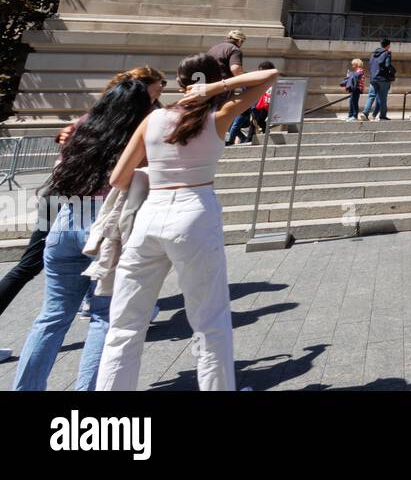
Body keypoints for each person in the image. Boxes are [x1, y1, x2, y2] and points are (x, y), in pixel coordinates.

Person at [96, 57, 280, 391]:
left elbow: (119, 178)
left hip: (151, 214)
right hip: (195, 211)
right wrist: (217, 87)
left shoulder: (152, 120)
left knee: (124, 325)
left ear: (180, 83)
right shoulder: (219, 118)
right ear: (210, 81)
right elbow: (270, 75)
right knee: (210, 321)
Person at [10, 75, 161, 391]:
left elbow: (58, 178)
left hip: (64, 223)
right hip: (107, 229)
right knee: (103, 319)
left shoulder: (81, 132)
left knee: (50, 320)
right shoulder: (137, 137)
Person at [363, 38, 395, 121]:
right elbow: (388, 65)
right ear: (388, 45)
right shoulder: (387, 53)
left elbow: (370, 64)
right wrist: (393, 71)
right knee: (383, 98)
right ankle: (382, 115)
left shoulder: (373, 54)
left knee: (371, 96)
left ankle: (365, 113)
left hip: (373, 78)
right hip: (383, 78)